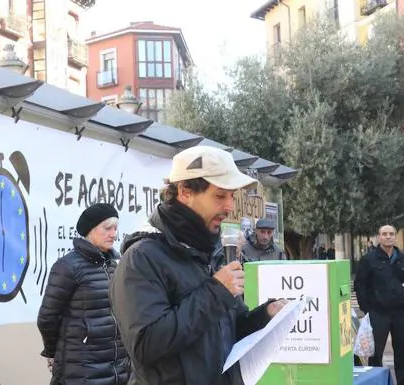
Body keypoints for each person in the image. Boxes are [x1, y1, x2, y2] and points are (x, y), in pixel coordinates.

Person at [109, 146, 287, 385]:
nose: (230, 207)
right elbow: (145, 345)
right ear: (185, 192)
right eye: (220, 196)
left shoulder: (209, 253)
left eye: (232, 196)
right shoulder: (142, 258)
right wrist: (216, 292)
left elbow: (228, 329)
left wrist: (266, 314)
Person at [37, 203, 130, 385]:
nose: (113, 234)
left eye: (115, 228)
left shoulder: (114, 266)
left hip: (117, 369)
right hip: (82, 370)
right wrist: (53, 352)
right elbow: (47, 318)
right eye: (107, 228)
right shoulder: (67, 267)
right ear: (90, 230)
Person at [354, 225, 404, 385]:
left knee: (403, 350)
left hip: (402, 312)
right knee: (375, 351)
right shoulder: (368, 260)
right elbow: (360, 285)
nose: (388, 237)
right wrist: (367, 309)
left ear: (395, 237)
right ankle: (376, 380)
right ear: (379, 237)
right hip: (378, 313)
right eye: (384, 234)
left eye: (391, 234)